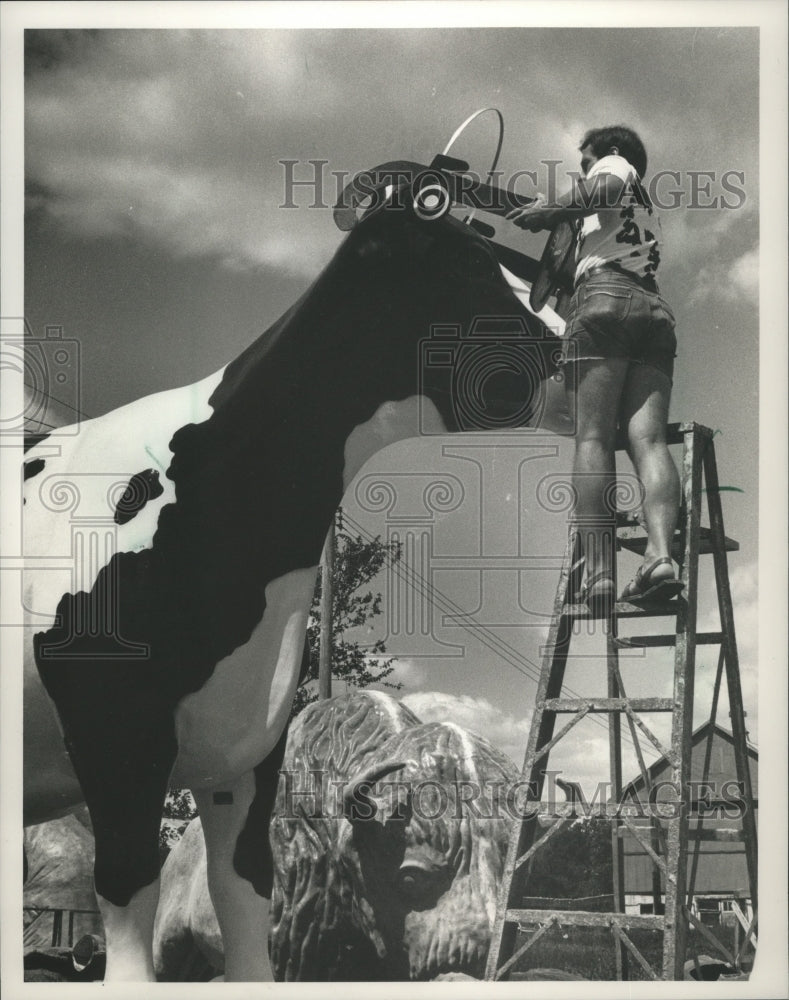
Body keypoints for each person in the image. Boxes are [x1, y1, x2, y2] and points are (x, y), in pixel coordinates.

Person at [507, 125, 682, 616]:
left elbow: (600, 186)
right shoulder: (644, 210)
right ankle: (662, 558)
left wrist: (549, 209)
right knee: (648, 442)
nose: (582, 170)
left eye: (583, 161)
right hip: (655, 313)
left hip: (606, 302)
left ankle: (600, 571)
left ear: (606, 153)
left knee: (593, 438)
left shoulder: (614, 167)